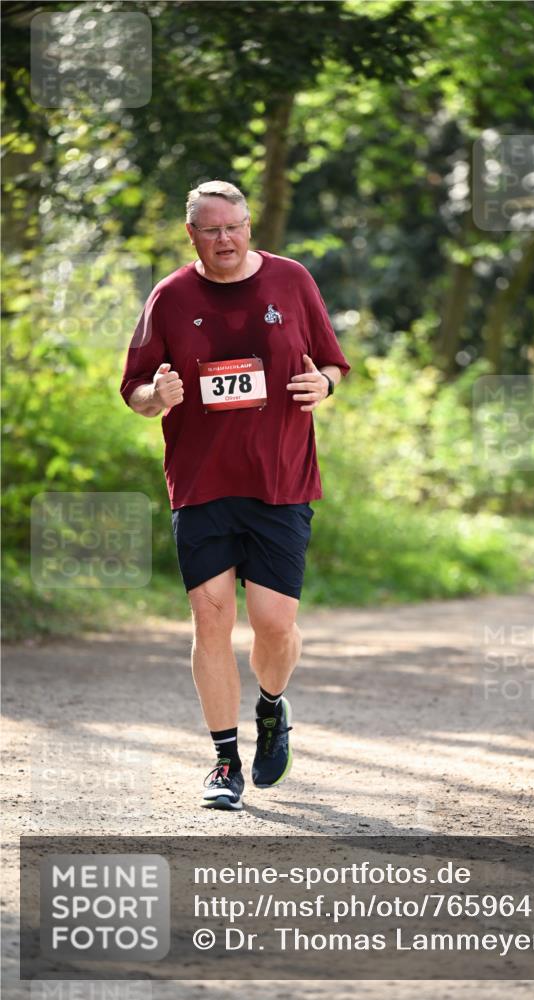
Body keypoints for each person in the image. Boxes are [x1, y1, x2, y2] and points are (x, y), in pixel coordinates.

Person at [120, 180, 350, 811]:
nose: (224, 239)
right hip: (202, 482)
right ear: (191, 234)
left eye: (234, 227)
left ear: (249, 227)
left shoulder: (291, 280)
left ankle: (272, 708)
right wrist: (155, 396)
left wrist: (324, 386)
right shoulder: (169, 297)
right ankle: (224, 760)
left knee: (275, 624)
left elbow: (331, 361)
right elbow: (135, 387)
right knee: (212, 618)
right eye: (211, 229)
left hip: (279, 479)